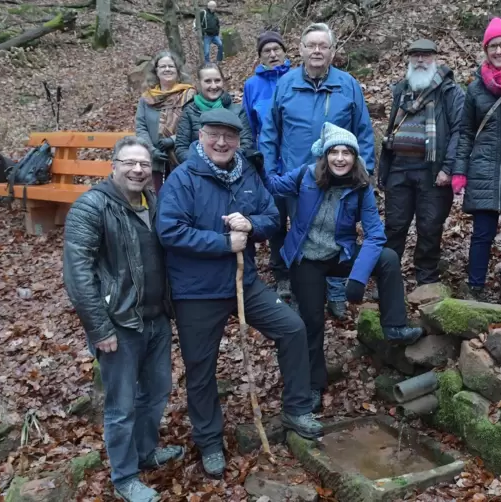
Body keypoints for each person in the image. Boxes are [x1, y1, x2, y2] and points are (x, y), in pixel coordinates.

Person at [156, 109, 322, 479]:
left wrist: (252, 225)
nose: (221, 142)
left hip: (243, 284)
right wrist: (222, 242)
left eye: (229, 136)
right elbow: (169, 231)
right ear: (201, 137)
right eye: (214, 135)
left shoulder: (246, 172)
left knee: (292, 328)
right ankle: (210, 441)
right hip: (196, 292)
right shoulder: (183, 178)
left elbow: (272, 217)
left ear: (237, 141)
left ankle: (296, 408)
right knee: (201, 369)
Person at [264, 122, 423, 411]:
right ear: (324, 156)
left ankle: (395, 326)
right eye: (334, 152)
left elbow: (376, 235)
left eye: (346, 153)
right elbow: (272, 185)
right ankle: (313, 385)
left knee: (387, 257)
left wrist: (358, 278)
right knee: (311, 322)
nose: (340, 158)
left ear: (355, 157)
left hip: (339, 255)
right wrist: (255, 164)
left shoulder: (361, 188)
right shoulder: (305, 176)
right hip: (306, 259)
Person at [63, 137, 182, 502]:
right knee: (121, 406)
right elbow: (78, 274)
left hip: (157, 319)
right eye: (129, 162)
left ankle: (145, 453)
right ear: (113, 165)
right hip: (118, 325)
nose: (137, 170)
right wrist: (99, 328)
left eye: (144, 164)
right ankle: (124, 476)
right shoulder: (91, 207)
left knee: (157, 392)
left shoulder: (154, 203)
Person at [260, 22, 376, 320]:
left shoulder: (347, 84)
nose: (316, 50)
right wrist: (270, 172)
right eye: (310, 45)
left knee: (339, 231)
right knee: (301, 235)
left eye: (322, 45)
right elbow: (271, 130)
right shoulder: (285, 84)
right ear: (300, 50)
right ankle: (302, 291)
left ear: (332, 51)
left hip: (341, 176)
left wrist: (365, 170)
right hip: (297, 178)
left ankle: (336, 289)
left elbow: (363, 130)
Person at [452, 18, 501, 304]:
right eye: (492, 46)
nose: (498, 51)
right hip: (483, 168)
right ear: (485, 51)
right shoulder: (475, 89)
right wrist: (460, 170)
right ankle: (475, 287)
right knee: (482, 234)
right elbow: (466, 132)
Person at [379, 39, 465, 286]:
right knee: (394, 226)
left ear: (435, 58)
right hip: (399, 167)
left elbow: (459, 130)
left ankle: (427, 280)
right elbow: (391, 128)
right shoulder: (402, 89)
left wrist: (448, 167)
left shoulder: (449, 91)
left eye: (425, 56)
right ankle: (389, 279)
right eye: (415, 55)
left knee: (429, 227)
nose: (419, 60)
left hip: (432, 171)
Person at [243, 30, 292, 297]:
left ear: (285, 52)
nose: (273, 54)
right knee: (276, 221)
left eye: (277, 49)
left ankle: (308, 272)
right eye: (266, 51)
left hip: (298, 162)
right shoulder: (252, 85)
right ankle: (281, 274)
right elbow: (249, 126)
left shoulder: (296, 78)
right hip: (269, 166)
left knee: (303, 218)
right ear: (260, 56)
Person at [135, 50, 195, 193]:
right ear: (156, 71)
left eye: (171, 66)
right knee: (157, 199)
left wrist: (174, 140)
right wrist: (151, 150)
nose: (167, 69)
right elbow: (141, 127)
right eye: (163, 66)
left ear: (178, 70)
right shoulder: (147, 99)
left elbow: (195, 124)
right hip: (155, 160)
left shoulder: (189, 95)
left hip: (182, 158)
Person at [175, 63, 253, 162]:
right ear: (199, 83)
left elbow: (246, 143)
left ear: (223, 82)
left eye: (217, 80)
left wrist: (226, 161)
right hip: (199, 171)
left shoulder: (237, 111)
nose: (213, 86)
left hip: (232, 169)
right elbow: (181, 147)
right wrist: (202, 164)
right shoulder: (189, 111)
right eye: (208, 81)